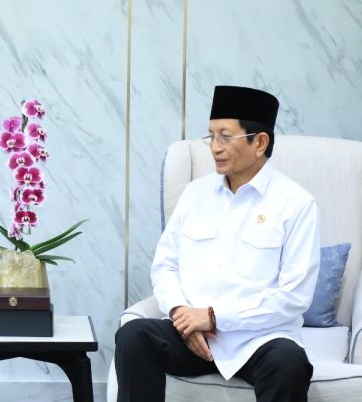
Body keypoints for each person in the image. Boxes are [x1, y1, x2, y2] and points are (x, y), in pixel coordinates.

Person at [114, 85, 320, 402]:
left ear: (260, 143)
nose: (214, 147)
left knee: (289, 364)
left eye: (225, 137)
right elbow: (165, 265)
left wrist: (213, 317)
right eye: (211, 136)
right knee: (133, 336)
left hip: (258, 340)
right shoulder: (195, 194)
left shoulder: (296, 204)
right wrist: (182, 314)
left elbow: (294, 297)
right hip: (192, 336)